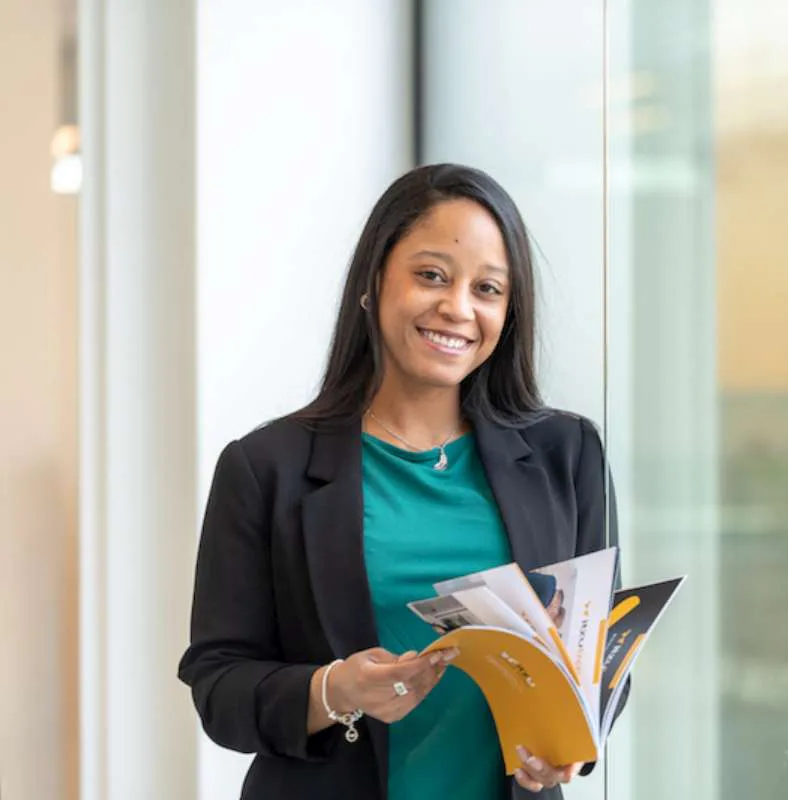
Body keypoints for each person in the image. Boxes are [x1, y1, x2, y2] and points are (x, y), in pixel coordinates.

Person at [177, 163, 621, 800]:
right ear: (374, 281)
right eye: (432, 275)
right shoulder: (265, 466)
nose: (457, 308)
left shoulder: (567, 453)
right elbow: (219, 685)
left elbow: (603, 655)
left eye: (489, 289)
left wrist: (572, 750)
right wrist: (334, 690)